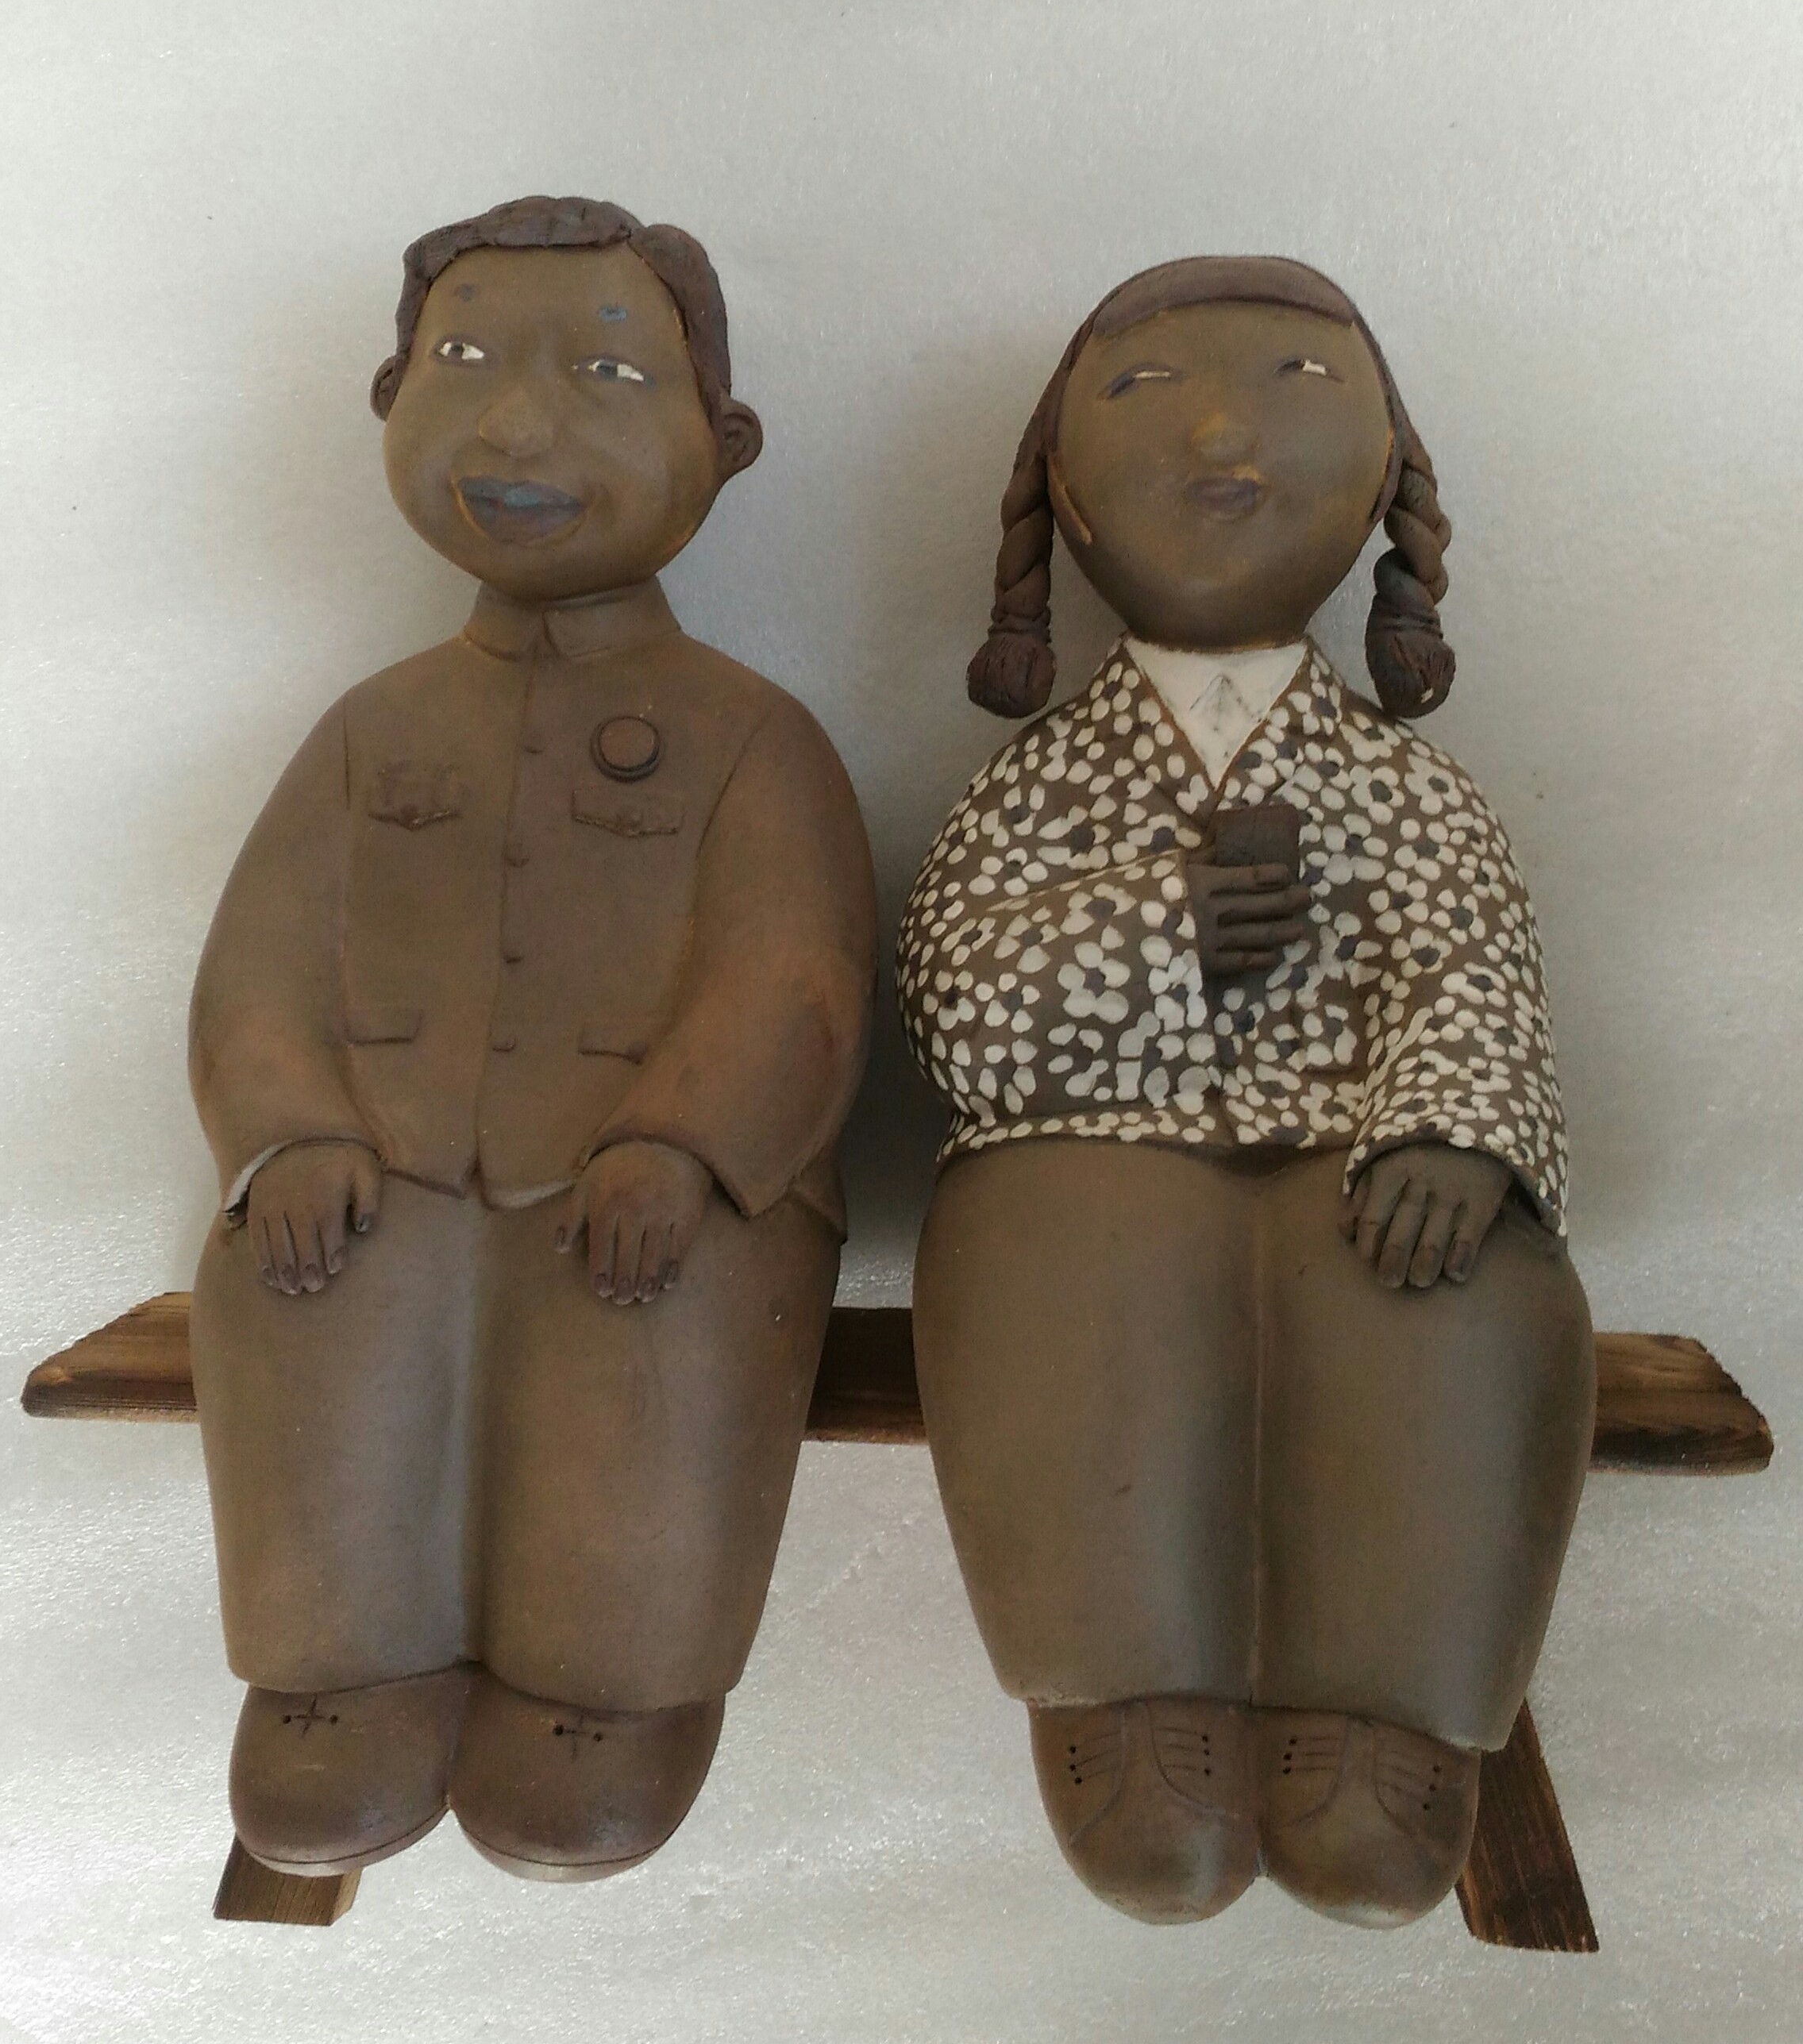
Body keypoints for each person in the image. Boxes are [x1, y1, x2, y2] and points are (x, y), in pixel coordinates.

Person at [898, 256, 1593, 1928]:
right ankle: (1128, 1698)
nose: (1222, 438)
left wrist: (1452, 1131)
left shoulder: (1409, 790)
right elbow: (956, 1011)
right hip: (1090, 1162)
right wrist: (1161, 921)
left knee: (1448, 1294)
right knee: (1071, 1257)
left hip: (1364, 1158)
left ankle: (1387, 1717)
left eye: (1298, 389)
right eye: (1148, 395)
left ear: (1384, 485)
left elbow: (1478, 972)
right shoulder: (1040, 790)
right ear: (1063, 494)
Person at [188, 196, 875, 1884]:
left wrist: (688, 1141)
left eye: (606, 376)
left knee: (649, 1339)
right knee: (319, 1306)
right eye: (469, 361)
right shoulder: (373, 729)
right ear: (390, 399)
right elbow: (259, 958)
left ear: (724, 443)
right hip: (381, 1169)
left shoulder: (754, 737)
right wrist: (287, 1127)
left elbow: (795, 976)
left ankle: (609, 1686)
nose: (516, 426)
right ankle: (341, 1668)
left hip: (646, 1188)